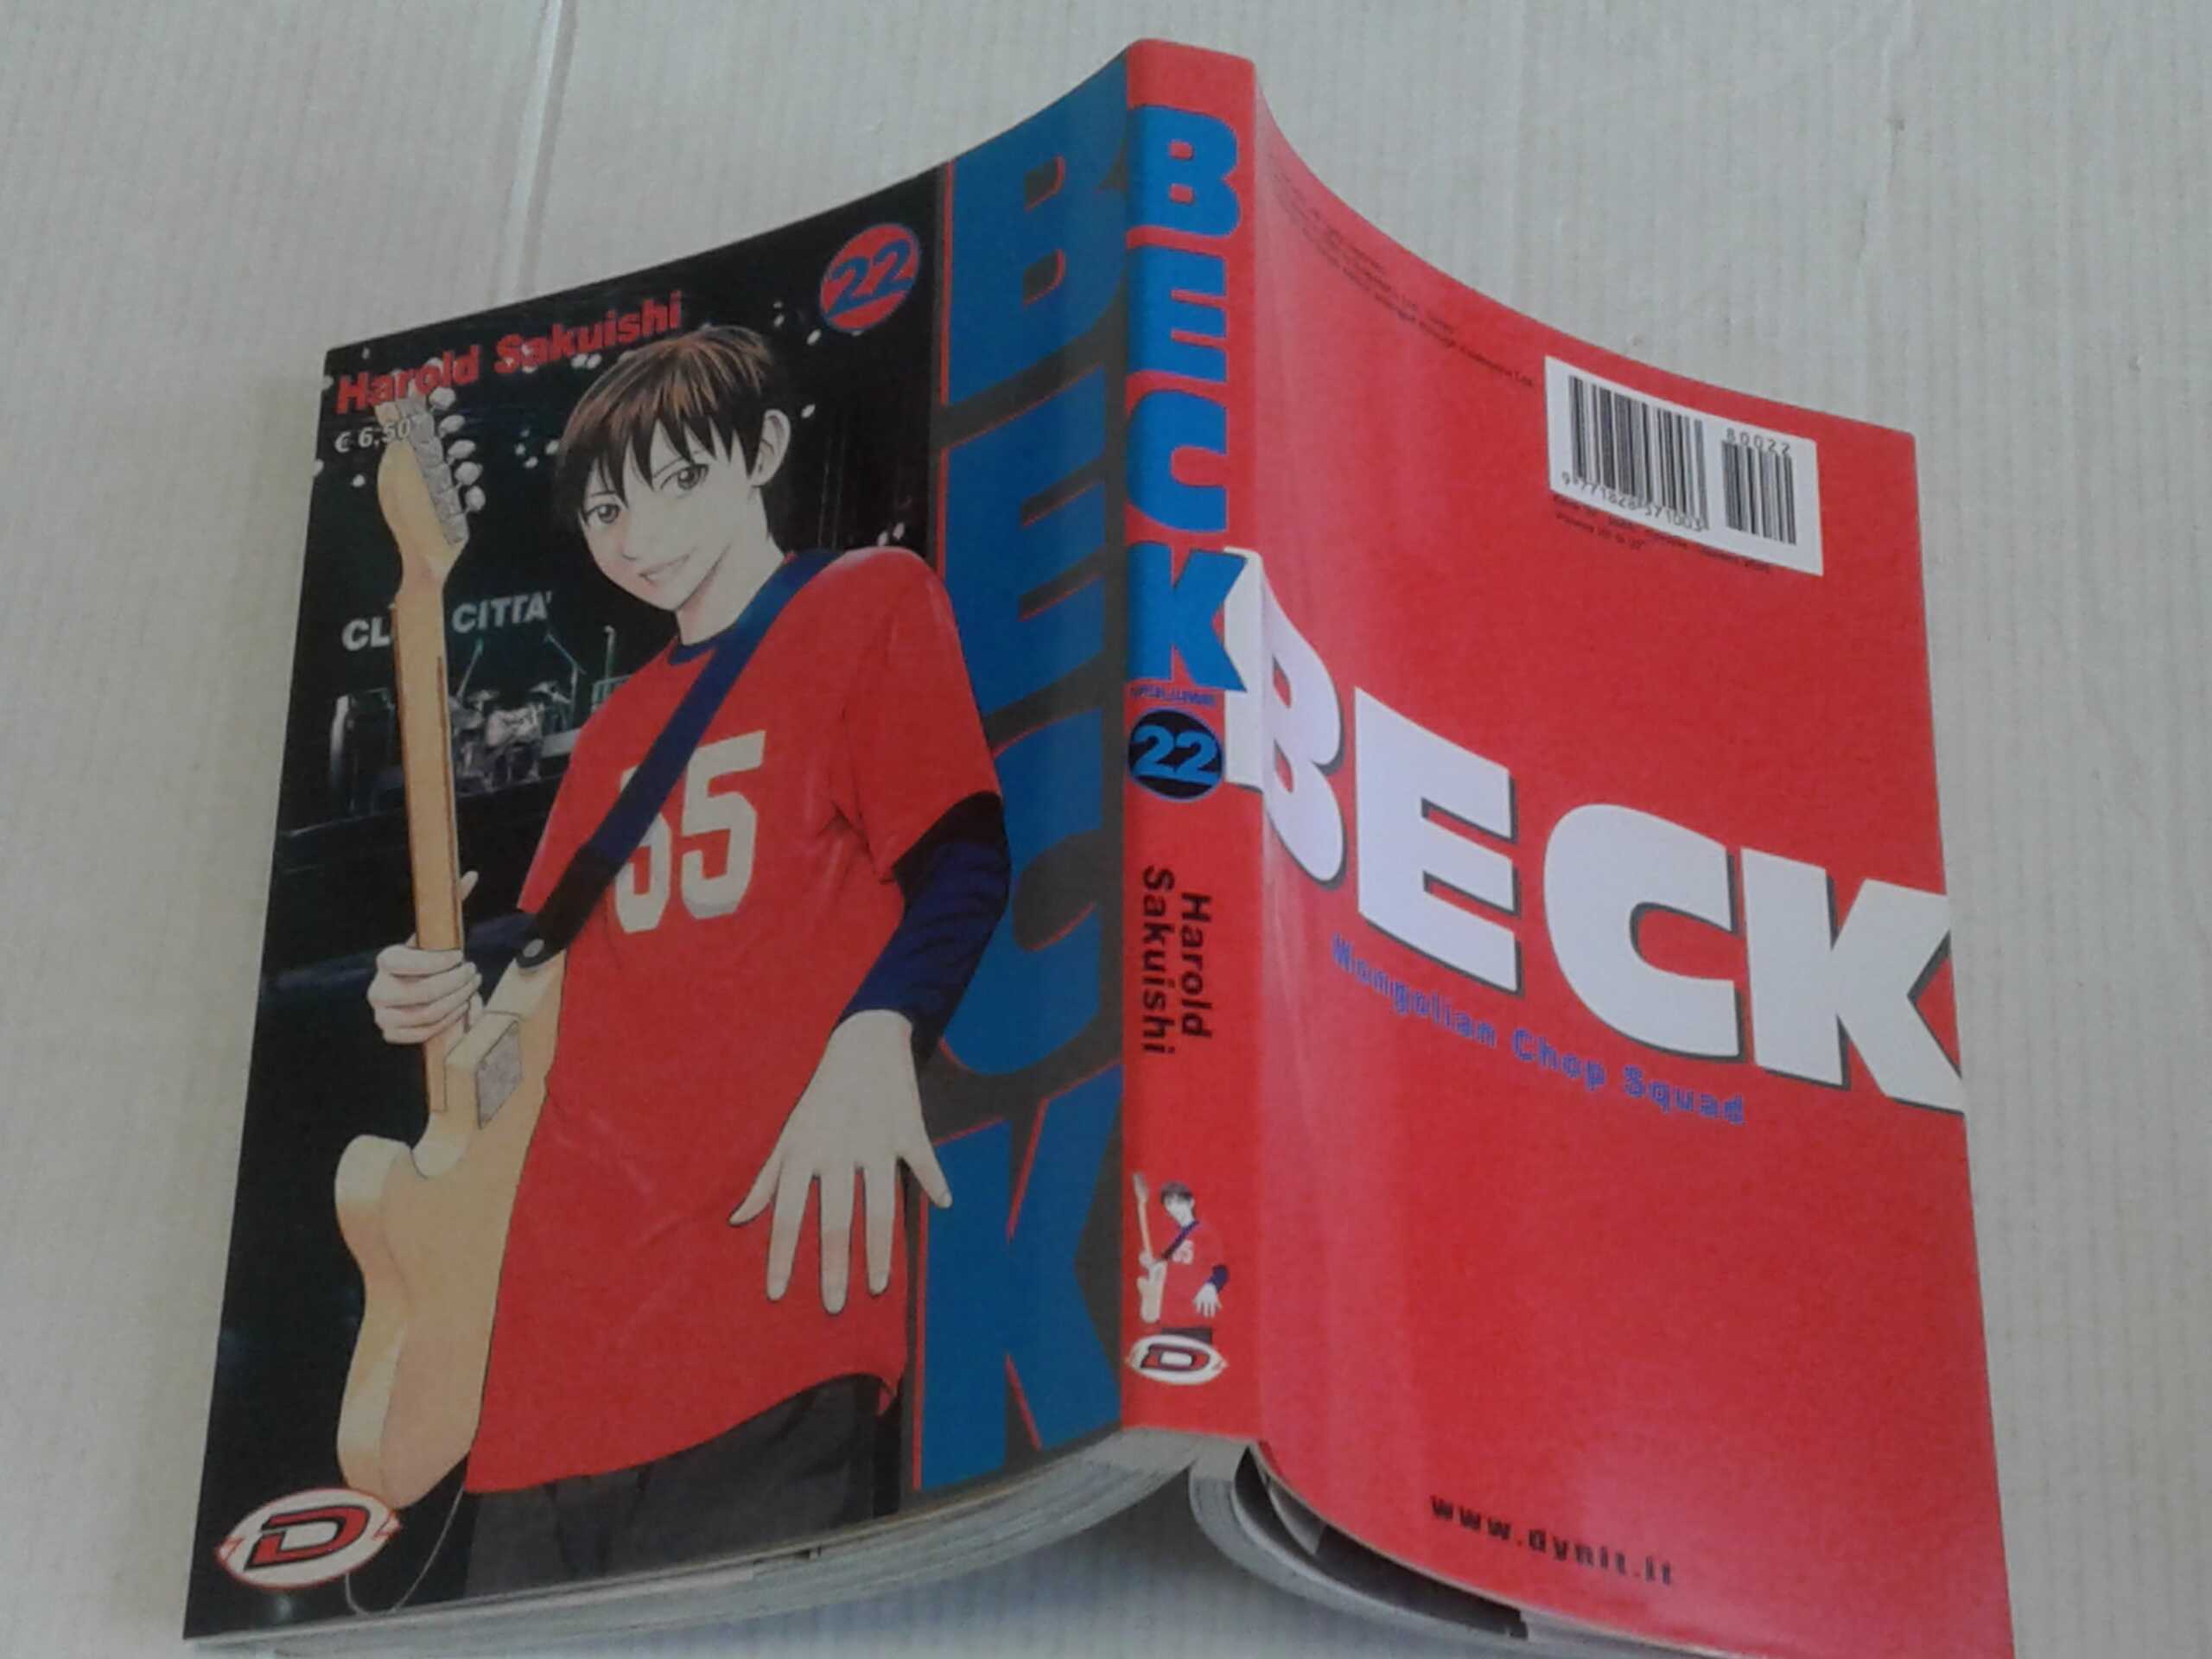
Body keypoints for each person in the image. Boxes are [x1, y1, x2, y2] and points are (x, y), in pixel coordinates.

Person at [365, 327, 1008, 1590]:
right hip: (548, 1348)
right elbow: (544, 962)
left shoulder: (865, 601)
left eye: (676, 481)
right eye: (608, 508)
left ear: (761, 451)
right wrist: (435, 979)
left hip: (762, 1299)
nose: (640, 532)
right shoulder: (612, 728)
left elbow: (964, 858)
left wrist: (879, 1030)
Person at [1137, 1179, 1229, 1342]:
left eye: (1179, 1202)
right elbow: (1166, 1271)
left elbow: (1221, 1271)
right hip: (1169, 1320)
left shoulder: (1205, 1233)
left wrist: (1211, 1286)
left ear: (1191, 1203)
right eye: (1169, 1203)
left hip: (1194, 1321)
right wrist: (1152, 1265)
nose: (1174, 1208)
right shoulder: (1171, 1239)